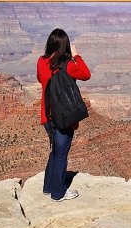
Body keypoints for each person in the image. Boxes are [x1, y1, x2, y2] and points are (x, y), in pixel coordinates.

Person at [37, 28, 91, 202]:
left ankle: (48, 186)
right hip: (64, 118)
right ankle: (58, 193)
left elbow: (40, 79)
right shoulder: (68, 64)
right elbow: (86, 74)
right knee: (61, 155)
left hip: (47, 116)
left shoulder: (41, 61)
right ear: (65, 45)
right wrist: (76, 55)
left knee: (54, 151)